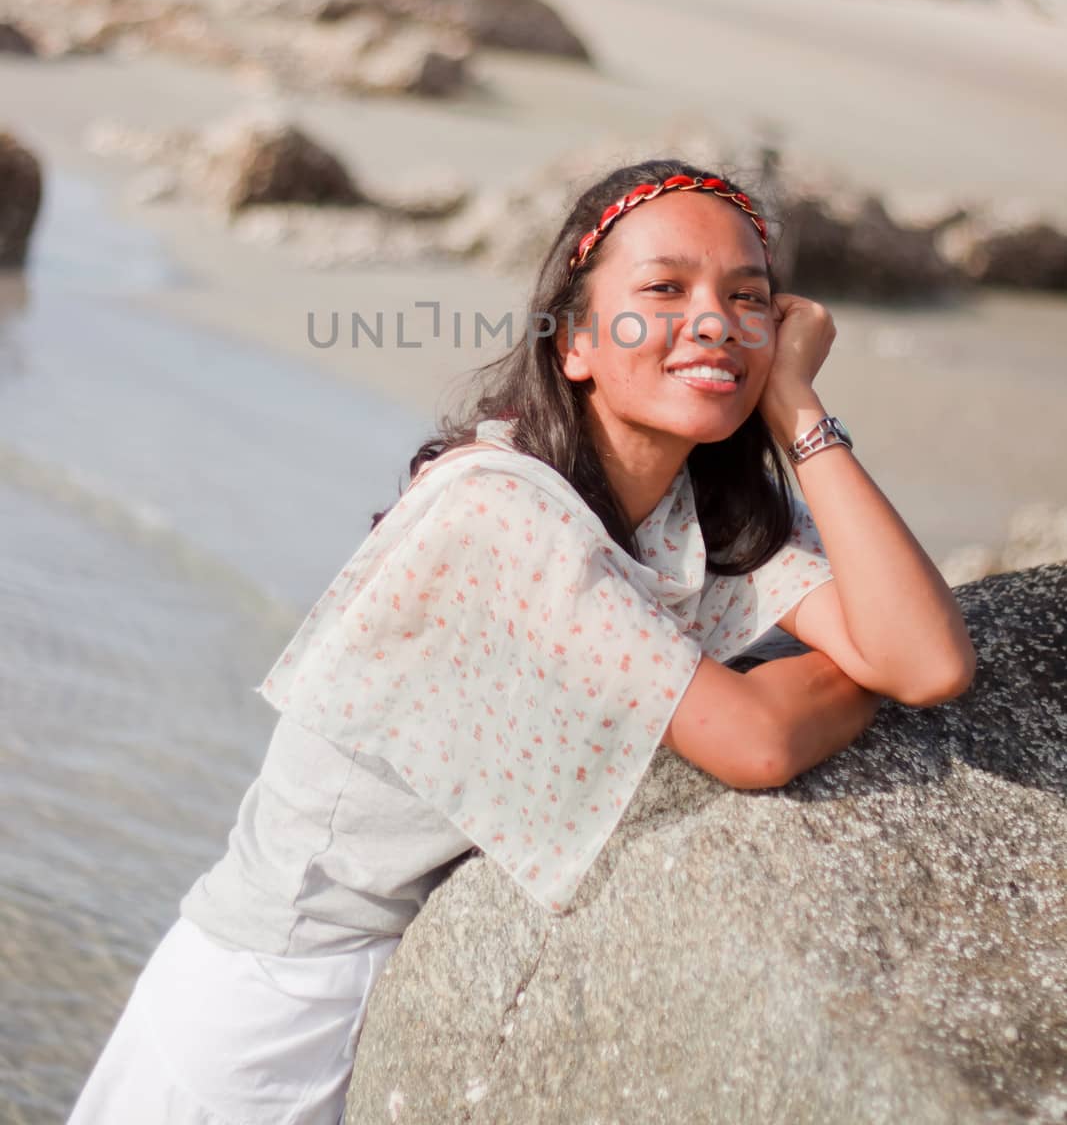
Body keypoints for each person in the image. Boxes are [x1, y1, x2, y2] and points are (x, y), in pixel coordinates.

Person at [69, 157, 976, 1124]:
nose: (714, 320)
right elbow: (757, 742)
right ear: (576, 341)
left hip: (410, 983)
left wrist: (796, 407)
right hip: (270, 993)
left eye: (747, 297)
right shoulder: (496, 508)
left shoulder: (694, 512)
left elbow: (927, 659)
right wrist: (843, 678)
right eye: (665, 289)